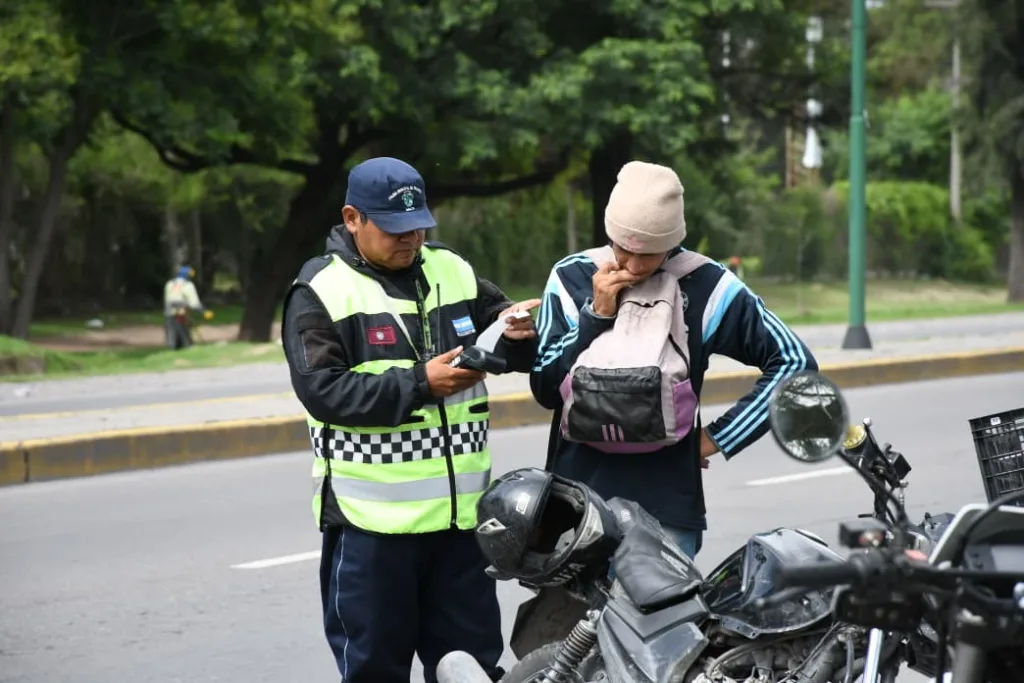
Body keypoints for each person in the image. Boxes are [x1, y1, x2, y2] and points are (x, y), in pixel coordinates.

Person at [279, 156, 541, 683]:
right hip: (373, 532)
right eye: (395, 229)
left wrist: (517, 334)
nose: (412, 239)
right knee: (376, 670)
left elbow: (502, 335)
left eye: (419, 225)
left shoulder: (454, 270)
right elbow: (324, 392)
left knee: (471, 668)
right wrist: (421, 384)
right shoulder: (319, 292)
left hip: (461, 527)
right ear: (352, 218)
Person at [529, 160, 818, 560]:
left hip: (664, 513)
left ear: (671, 241)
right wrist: (594, 315)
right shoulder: (570, 277)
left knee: (660, 623)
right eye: (622, 247)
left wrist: (716, 438)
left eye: (646, 254)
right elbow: (545, 388)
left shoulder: (710, 286)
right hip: (574, 507)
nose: (631, 264)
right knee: (568, 625)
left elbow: (795, 363)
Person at [162, 265, 211, 349]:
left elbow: (167, 299)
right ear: (187, 276)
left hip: (169, 314)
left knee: (172, 339)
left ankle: (173, 349)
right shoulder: (188, 285)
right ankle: (187, 346)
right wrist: (204, 312)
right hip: (181, 315)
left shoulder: (169, 284)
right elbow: (194, 303)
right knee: (185, 338)